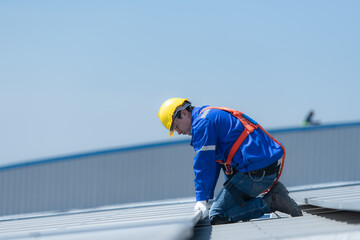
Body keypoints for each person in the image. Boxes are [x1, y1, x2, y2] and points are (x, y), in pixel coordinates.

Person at [158, 98, 303, 225]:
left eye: (176, 126)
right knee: (228, 204)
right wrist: (206, 198)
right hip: (263, 168)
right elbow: (214, 164)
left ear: (183, 113)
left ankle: (273, 200)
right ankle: (273, 195)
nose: (178, 132)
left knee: (217, 215)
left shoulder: (201, 124)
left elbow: (204, 165)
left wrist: (201, 200)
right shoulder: (207, 115)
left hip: (256, 173)